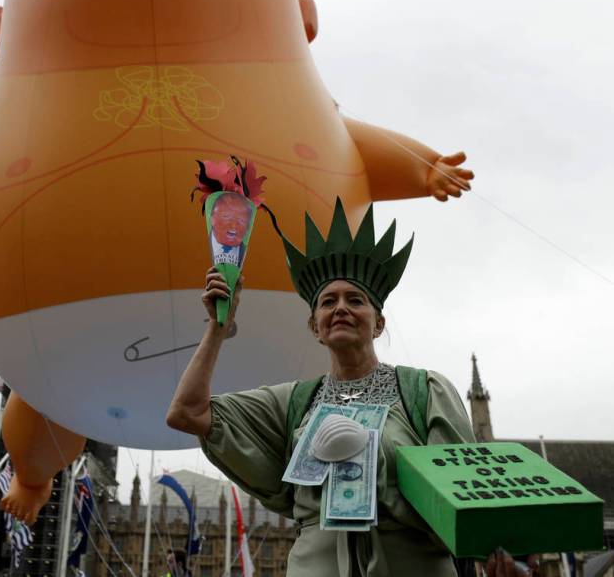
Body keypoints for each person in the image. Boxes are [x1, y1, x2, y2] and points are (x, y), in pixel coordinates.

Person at [167, 200, 534, 576]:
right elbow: (187, 412)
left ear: (378, 323)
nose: (341, 308)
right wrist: (217, 326)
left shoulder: (424, 391)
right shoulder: (294, 401)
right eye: (328, 302)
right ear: (316, 326)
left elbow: (464, 499)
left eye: (355, 300)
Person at [209, 193, 252, 267]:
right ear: (212, 219)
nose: (233, 226)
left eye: (241, 220)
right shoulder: (196, 245)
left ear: (248, 227)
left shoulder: (252, 256)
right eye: (226, 217)